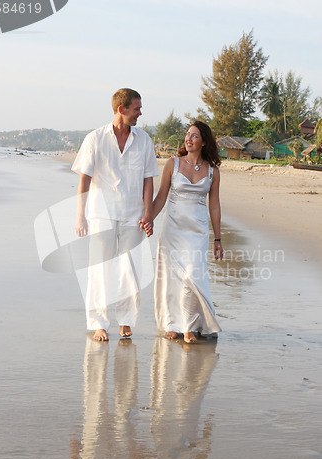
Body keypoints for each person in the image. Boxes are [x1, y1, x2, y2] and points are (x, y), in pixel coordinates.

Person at [72, 88, 159, 342]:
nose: (140, 113)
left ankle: (126, 321)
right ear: (121, 109)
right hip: (102, 214)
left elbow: (148, 180)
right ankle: (99, 323)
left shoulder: (144, 140)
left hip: (134, 216)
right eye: (136, 108)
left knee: (131, 271)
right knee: (100, 270)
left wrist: (148, 214)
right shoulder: (95, 139)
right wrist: (80, 214)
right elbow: (84, 179)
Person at [144, 121, 223, 344]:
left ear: (204, 141)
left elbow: (214, 206)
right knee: (171, 278)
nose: (188, 139)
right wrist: (148, 218)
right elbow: (161, 197)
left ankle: (189, 325)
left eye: (194, 136)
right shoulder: (173, 164)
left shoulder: (212, 172)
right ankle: (172, 324)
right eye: (187, 135)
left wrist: (218, 238)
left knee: (192, 276)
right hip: (172, 229)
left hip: (197, 231)